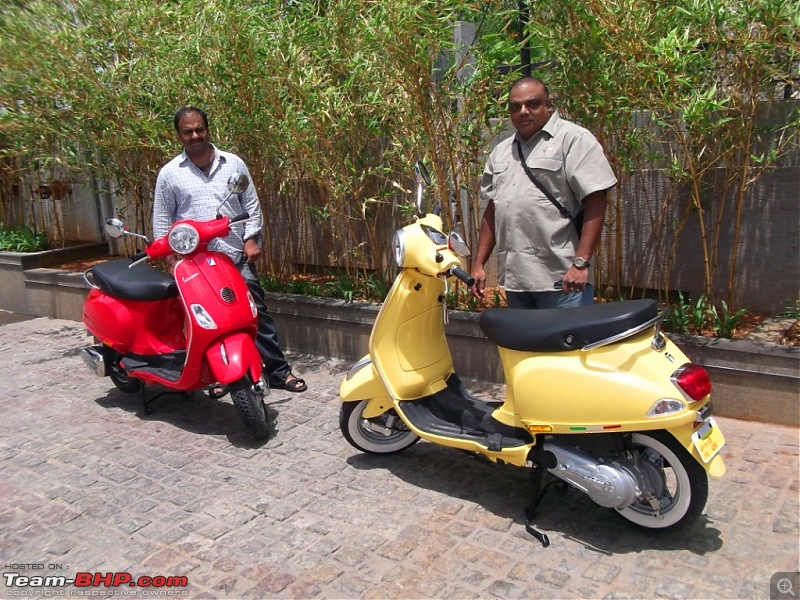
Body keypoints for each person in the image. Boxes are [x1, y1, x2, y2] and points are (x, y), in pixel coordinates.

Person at [152, 106, 307, 393]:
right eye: (188, 131)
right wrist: (171, 262)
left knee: (256, 314)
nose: (195, 135)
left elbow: (251, 206)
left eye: (200, 129)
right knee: (201, 322)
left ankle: (278, 372)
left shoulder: (233, 164)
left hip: (235, 257)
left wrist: (251, 239)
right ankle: (218, 375)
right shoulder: (170, 174)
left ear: (208, 129)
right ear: (179, 135)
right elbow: (162, 222)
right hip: (194, 264)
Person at [470, 77, 617, 309]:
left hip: (563, 281)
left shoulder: (574, 140)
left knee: (568, 345)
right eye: (515, 107)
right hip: (517, 282)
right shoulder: (501, 152)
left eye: (533, 104)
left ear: (549, 104)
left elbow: (596, 202)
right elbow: (492, 209)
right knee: (525, 346)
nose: (523, 111)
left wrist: (580, 265)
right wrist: (478, 264)